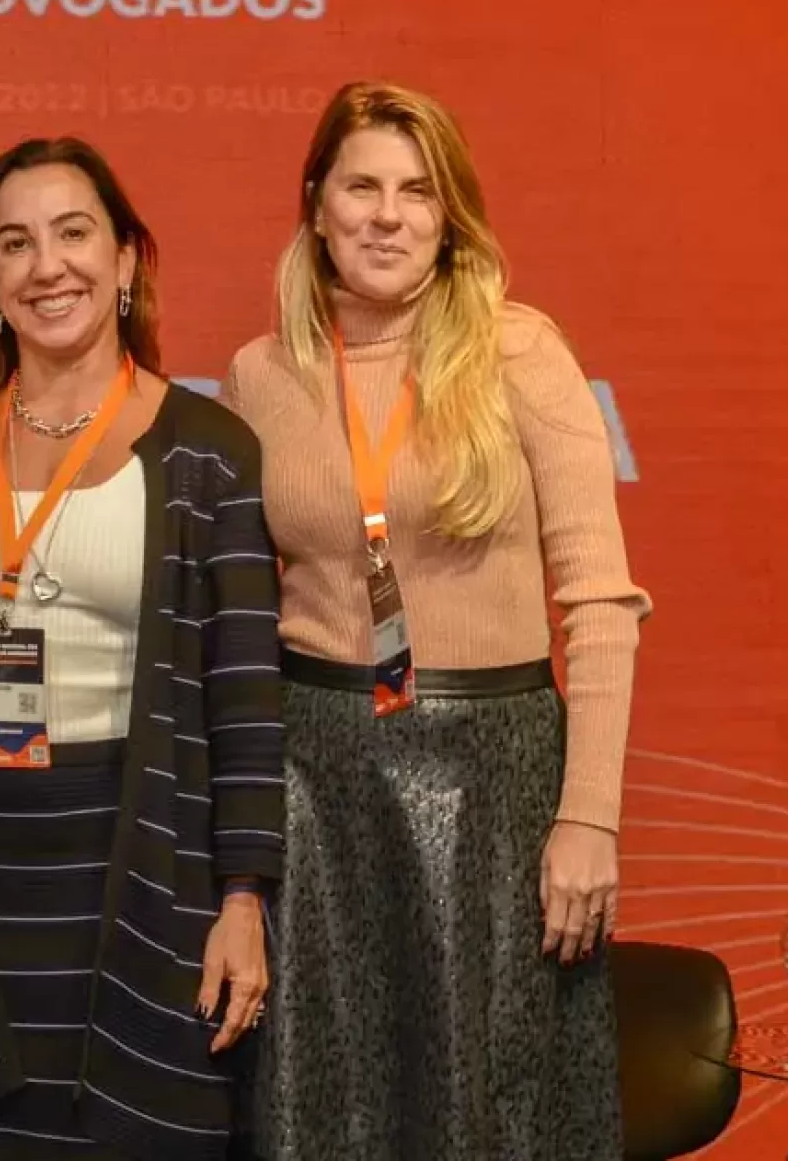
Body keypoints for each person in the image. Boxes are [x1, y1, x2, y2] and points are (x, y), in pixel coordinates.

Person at [226, 81, 650, 1160]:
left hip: (493, 777)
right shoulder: (260, 375)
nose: (386, 215)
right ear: (316, 203)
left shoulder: (521, 352)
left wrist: (589, 817)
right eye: (361, 186)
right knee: (330, 1112)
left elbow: (600, 601)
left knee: (490, 1109)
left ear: (449, 214)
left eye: (417, 192)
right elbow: (233, 618)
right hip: (316, 784)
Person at [0, 137, 283, 1161]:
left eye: (73, 233)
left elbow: (246, 698)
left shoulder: (207, 449)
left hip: (143, 871)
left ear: (124, 260)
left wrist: (244, 897)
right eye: (14, 243)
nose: (47, 266)